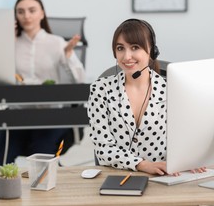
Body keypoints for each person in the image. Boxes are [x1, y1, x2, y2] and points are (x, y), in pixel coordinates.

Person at [87, 18, 205, 175]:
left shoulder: (172, 91)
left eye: (135, 47)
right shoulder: (100, 89)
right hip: (117, 176)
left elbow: (183, 139)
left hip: (163, 176)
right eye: (120, 48)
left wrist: (187, 158)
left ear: (152, 51)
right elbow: (103, 149)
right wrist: (142, 165)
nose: (126, 56)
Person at [0, 0, 86, 167]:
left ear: (42, 13)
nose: (26, 16)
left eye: (32, 10)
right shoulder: (10, 43)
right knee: (3, 150)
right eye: (20, 12)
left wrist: (68, 55)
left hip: (50, 114)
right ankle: (5, 188)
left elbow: (79, 79)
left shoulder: (57, 43)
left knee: (42, 150)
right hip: (18, 114)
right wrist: (5, 44)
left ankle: (43, 189)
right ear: (15, 16)